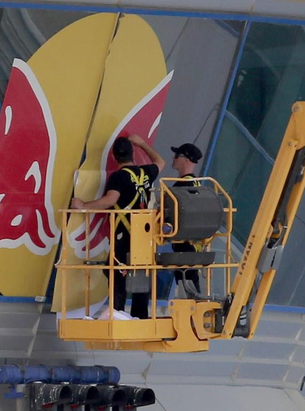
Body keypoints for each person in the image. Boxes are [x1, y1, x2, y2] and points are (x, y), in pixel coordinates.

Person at [71, 134, 163, 319]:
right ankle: (140, 316)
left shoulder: (118, 177)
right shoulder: (146, 173)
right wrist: (142, 143)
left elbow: (109, 200)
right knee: (140, 274)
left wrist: (83, 206)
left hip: (124, 234)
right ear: (133, 154)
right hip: (143, 236)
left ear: (114, 157)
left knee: (116, 272)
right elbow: (160, 161)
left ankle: (117, 312)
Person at [159, 143, 205, 301]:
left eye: (177, 156)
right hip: (194, 245)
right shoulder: (197, 183)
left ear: (186, 160)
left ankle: (192, 318)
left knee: (187, 289)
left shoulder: (182, 186)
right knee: (191, 285)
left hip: (184, 245)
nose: (173, 158)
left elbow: (168, 211)